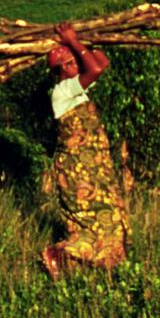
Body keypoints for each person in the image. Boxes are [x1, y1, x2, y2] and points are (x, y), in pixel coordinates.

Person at [41, 22, 129, 279]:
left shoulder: (77, 87)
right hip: (77, 172)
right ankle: (59, 254)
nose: (73, 66)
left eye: (73, 61)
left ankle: (95, 271)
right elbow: (97, 67)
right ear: (57, 72)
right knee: (95, 221)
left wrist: (80, 41)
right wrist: (74, 42)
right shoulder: (63, 90)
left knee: (111, 217)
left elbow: (102, 60)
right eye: (66, 64)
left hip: (94, 170)